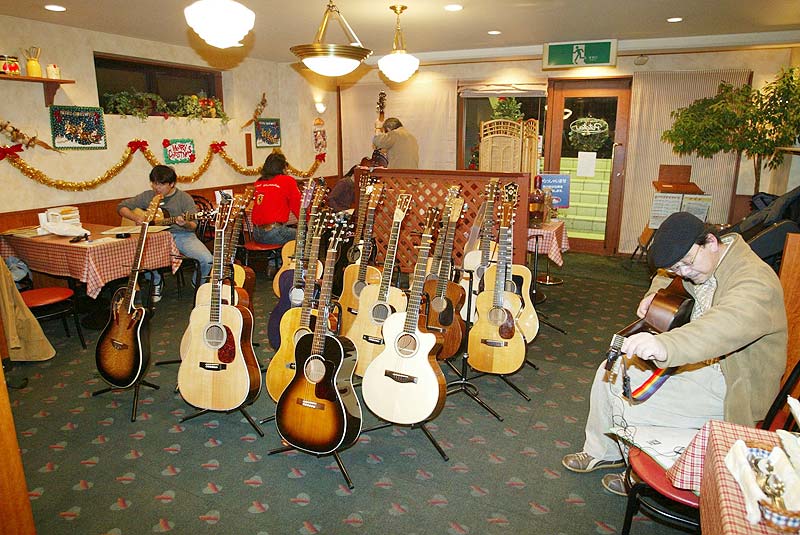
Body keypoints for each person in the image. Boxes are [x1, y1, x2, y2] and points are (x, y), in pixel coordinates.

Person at [561, 211, 787, 496]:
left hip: (733, 383)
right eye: (678, 268)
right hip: (700, 362)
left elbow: (721, 327)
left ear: (711, 242)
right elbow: (666, 274)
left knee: (632, 401)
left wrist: (665, 345)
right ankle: (603, 451)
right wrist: (653, 295)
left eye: (687, 264)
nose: (684, 273)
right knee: (613, 371)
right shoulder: (706, 257)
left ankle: (641, 474)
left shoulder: (755, 281)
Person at [118, 165, 213, 302]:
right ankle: (156, 282)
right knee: (141, 254)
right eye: (154, 183)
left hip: (182, 235)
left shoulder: (184, 198)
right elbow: (121, 207)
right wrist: (137, 218)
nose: (156, 187)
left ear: (172, 184)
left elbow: (193, 225)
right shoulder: (148, 196)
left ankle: (198, 283)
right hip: (155, 237)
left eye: (161, 184)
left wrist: (184, 223)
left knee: (207, 259)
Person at [251, 152, 300, 246]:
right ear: (283, 168)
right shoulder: (287, 181)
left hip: (256, 234)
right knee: (305, 236)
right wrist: (308, 222)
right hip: (275, 233)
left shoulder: (259, 182)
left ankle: (278, 256)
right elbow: (298, 206)